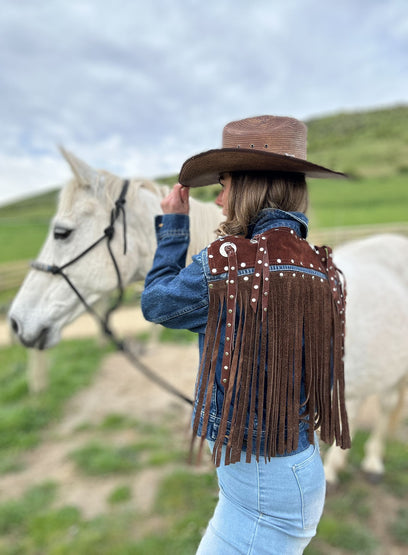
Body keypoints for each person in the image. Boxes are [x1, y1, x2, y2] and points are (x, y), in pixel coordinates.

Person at [141, 115, 351, 554]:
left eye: (224, 183)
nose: (218, 200)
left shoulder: (227, 263)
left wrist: (174, 227)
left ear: (248, 187)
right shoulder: (325, 268)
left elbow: (156, 302)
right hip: (294, 466)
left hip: (262, 487)